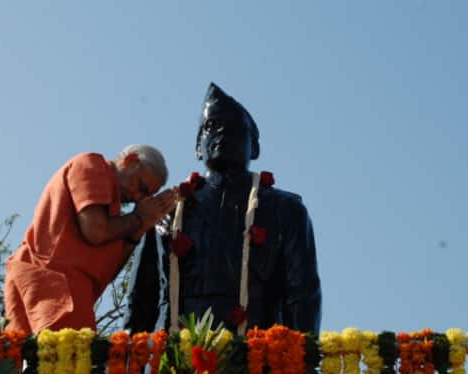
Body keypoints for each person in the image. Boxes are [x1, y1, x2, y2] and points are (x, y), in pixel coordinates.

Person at [125, 83, 322, 334]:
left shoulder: (285, 209)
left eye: (233, 128)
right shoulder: (167, 210)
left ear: (255, 147)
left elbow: (302, 294)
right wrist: (128, 364)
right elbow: (143, 298)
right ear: (198, 146)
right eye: (210, 127)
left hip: (256, 355)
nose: (220, 133)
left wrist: (301, 363)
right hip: (176, 355)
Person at [5, 145, 178, 334]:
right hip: (51, 286)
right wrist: (138, 218)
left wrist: (139, 229)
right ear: (130, 161)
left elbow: (108, 273)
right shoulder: (92, 165)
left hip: (68, 293)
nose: (137, 197)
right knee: (62, 360)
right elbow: (95, 232)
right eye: (140, 187)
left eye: (145, 196)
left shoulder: (113, 212)